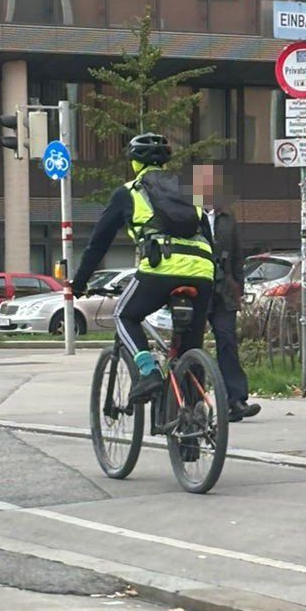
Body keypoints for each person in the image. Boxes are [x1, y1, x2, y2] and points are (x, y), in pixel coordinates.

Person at [71, 133, 216, 404]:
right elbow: (208, 237)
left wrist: (78, 283)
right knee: (190, 348)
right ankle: (194, 421)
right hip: (203, 272)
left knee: (124, 315)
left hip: (161, 270)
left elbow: (97, 244)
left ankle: (148, 373)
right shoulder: (190, 193)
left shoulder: (128, 192)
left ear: (134, 163)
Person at [194, 164, 260, 423]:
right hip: (196, 289)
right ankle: (194, 401)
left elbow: (236, 256)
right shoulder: (189, 217)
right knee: (192, 345)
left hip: (224, 292)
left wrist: (238, 288)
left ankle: (236, 400)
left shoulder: (228, 219)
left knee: (228, 342)